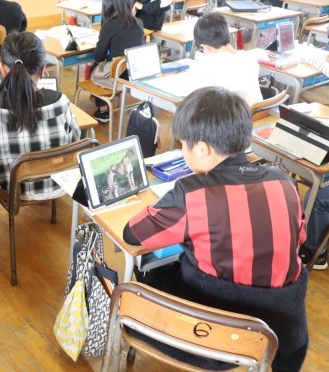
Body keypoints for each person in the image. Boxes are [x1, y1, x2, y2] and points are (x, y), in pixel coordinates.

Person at [123, 87, 308, 372]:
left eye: (183, 144)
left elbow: (133, 233)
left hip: (212, 336)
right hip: (278, 331)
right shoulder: (285, 183)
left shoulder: (192, 193)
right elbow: (299, 238)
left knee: (150, 270)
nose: (183, 150)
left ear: (201, 148)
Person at [0, 32, 81, 201]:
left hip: (13, 190)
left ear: (3, 68)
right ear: (43, 68)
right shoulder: (61, 102)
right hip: (57, 185)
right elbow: (74, 137)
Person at [90, 0, 144, 122]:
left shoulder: (109, 25)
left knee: (94, 68)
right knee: (112, 63)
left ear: (107, 3)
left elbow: (99, 56)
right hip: (136, 74)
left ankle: (103, 110)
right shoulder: (139, 22)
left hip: (119, 77)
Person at [188, 13, 263, 105]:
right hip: (257, 113)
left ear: (205, 47)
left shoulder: (206, 64)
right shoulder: (250, 59)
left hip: (232, 114)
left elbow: (194, 97)